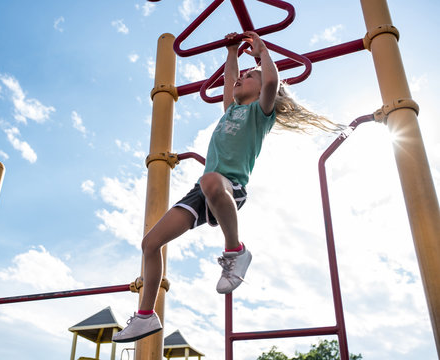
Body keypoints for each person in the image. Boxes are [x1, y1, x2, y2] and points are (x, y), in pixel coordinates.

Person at [112, 31, 341, 343]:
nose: (240, 79)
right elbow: (229, 80)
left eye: (250, 77)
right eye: (242, 76)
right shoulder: (231, 109)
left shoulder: (260, 114)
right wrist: (232, 53)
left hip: (231, 187)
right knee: (150, 244)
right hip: (204, 190)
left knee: (209, 180)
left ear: (262, 90)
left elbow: (272, 83)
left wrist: (261, 52)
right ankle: (145, 315)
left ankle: (235, 250)